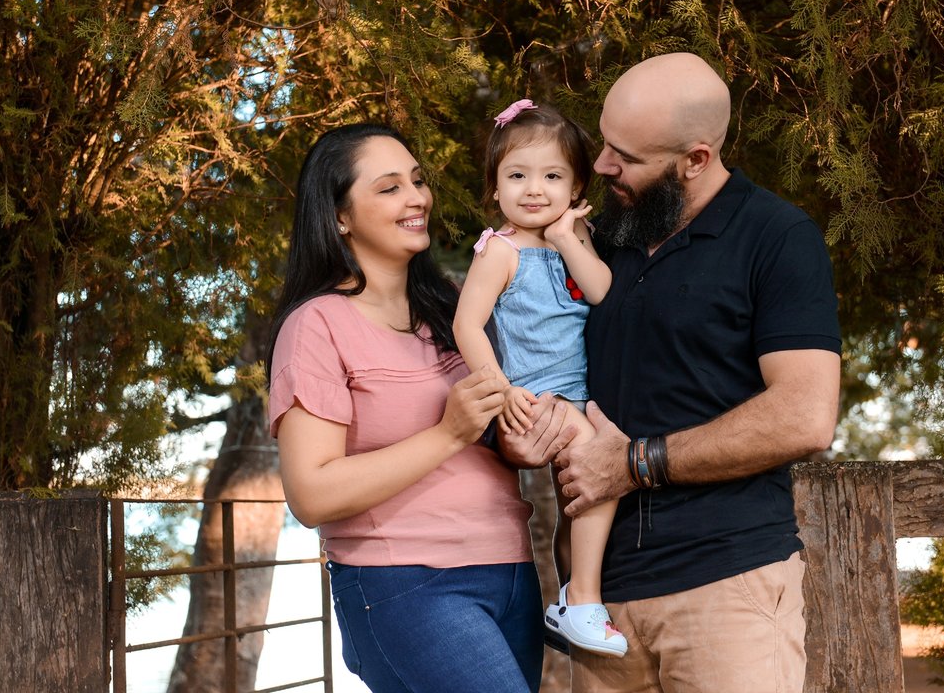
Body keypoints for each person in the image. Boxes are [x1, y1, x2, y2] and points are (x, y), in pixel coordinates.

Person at [502, 53, 842, 693]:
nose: (603, 165)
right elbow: (536, 359)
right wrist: (520, 437)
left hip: (726, 590)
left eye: (626, 156)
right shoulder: (595, 236)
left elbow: (804, 416)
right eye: (605, 142)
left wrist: (635, 463)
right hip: (597, 608)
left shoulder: (776, 237)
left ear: (695, 159)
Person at [267, 123, 545, 693]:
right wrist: (448, 433)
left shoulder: (460, 310)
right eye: (390, 187)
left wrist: (521, 438)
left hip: (512, 570)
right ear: (339, 216)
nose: (417, 197)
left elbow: (498, 440)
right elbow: (311, 495)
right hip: (405, 582)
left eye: (418, 181)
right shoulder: (316, 325)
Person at [453, 100, 627, 658]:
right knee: (599, 470)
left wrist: (569, 237)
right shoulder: (499, 252)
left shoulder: (575, 237)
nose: (534, 189)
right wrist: (500, 390)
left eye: (552, 176)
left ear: (577, 187)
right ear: (495, 187)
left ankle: (568, 599)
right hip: (535, 398)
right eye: (517, 176)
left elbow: (600, 289)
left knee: (574, 499)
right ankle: (584, 601)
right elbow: (466, 324)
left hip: (579, 392)